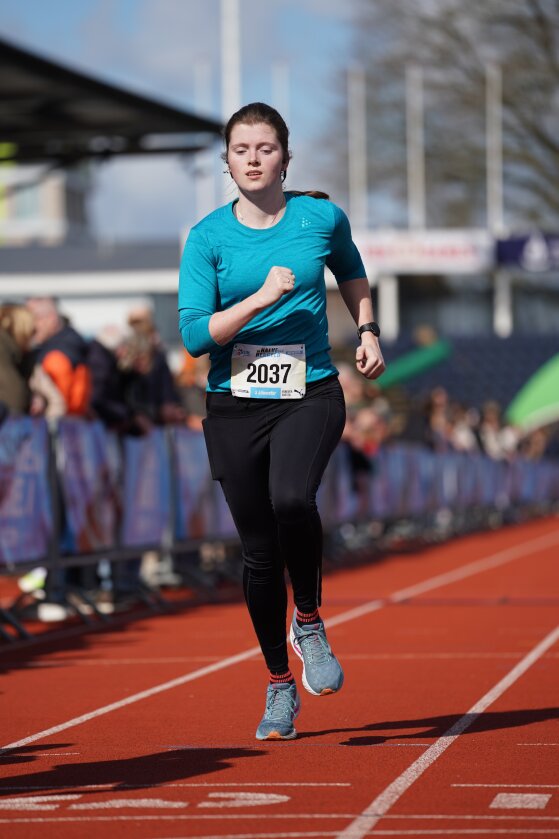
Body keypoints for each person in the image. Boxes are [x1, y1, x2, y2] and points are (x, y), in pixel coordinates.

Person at [178, 102, 385, 741]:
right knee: (259, 553)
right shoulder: (207, 238)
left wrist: (368, 330)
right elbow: (193, 336)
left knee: (293, 498)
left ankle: (311, 621)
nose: (253, 159)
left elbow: (352, 272)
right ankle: (277, 684)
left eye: (265, 148)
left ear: (285, 159)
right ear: (227, 162)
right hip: (234, 403)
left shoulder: (321, 218)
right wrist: (261, 298)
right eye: (241, 149)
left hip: (309, 390)